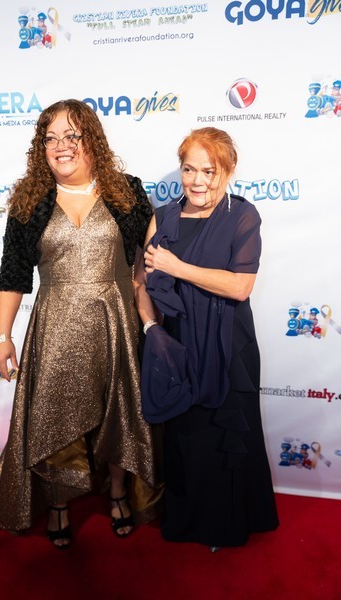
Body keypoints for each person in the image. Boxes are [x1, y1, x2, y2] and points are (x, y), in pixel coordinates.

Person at [0, 99, 163, 548]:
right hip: (55, 328)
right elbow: (13, 275)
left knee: (119, 413)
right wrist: (1, 335)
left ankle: (117, 492)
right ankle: (58, 503)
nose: (61, 146)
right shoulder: (30, 201)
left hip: (116, 323)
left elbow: (147, 261)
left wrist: (148, 311)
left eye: (71, 135)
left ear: (91, 140)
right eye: (50, 138)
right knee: (54, 417)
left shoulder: (126, 191)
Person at [134, 127, 278, 551]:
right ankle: (187, 520)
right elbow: (141, 281)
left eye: (209, 171)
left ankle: (226, 524)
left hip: (227, 344)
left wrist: (178, 267)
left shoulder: (243, 216)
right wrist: (150, 327)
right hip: (176, 341)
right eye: (189, 169)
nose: (198, 181)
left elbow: (240, 287)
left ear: (227, 172)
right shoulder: (164, 216)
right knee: (185, 434)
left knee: (224, 432)